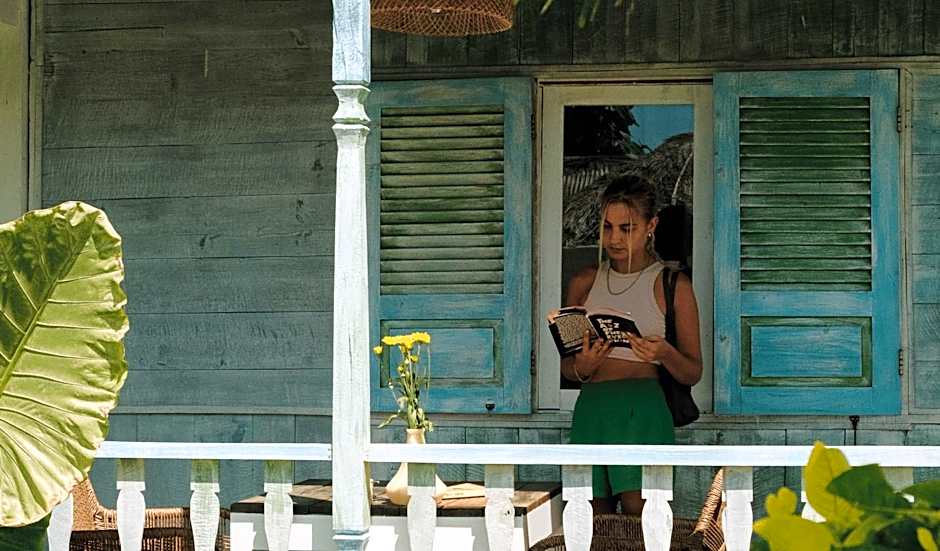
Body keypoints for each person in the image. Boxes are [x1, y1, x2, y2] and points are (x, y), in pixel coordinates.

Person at [560, 173, 703, 516]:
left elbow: (693, 371)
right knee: (590, 520)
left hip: (643, 409)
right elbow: (566, 364)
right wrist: (585, 365)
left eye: (627, 228)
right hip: (592, 407)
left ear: (650, 225)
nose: (615, 238)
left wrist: (664, 353)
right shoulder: (582, 283)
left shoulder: (674, 284)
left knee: (643, 520)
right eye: (607, 227)